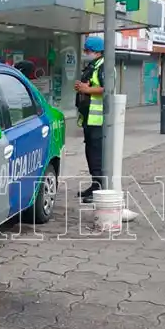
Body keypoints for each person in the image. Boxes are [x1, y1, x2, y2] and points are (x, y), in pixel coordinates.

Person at [74, 35, 106, 203]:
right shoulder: (93, 65)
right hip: (89, 119)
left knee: (97, 155)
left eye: (87, 50)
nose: (86, 53)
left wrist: (86, 89)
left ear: (96, 51)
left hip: (98, 120)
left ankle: (100, 189)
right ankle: (95, 185)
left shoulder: (104, 66)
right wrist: (82, 87)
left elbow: (107, 88)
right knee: (91, 154)